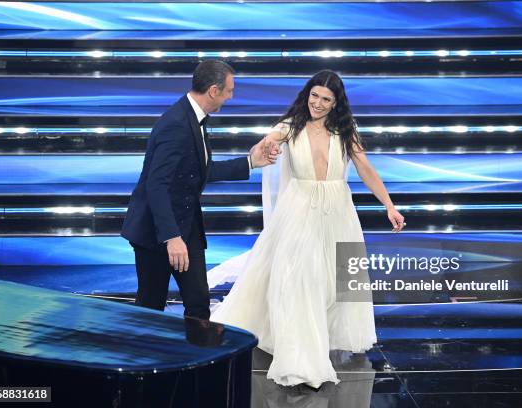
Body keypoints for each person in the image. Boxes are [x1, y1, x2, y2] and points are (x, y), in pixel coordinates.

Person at [209, 70, 405, 389]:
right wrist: (265, 150)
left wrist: (389, 204)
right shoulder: (289, 126)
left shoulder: (345, 131)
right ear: (307, 95)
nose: (318, 103)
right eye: (314, 95)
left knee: (334, 282)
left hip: (338, 212)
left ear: (336, 103)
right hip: (298, 212)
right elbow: (265, 146)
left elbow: (365, 168)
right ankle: (302, 355)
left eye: (326, 99)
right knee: (301, 280)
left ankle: (320, 338)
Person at [121, 60, 279, 320]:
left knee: (198, 302)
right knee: (151, 308)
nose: (231, 96)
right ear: (214, 90)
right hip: (156, 233)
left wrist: (251, 161)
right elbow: (156, 185)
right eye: (229, 90)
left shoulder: (195, 118)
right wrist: (171, 237)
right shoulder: (176, 124)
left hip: (187, 226)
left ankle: (201, 359)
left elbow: (201, 171)